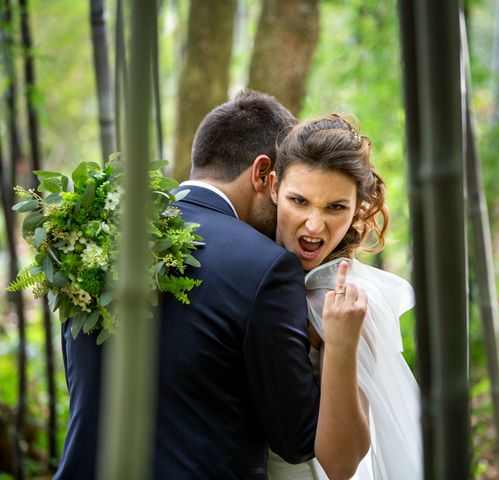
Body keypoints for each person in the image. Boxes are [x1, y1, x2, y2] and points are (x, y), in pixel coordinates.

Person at [55, 90, 369, 479]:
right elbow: (298, 439)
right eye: (291, 193)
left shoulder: (93, 239)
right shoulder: (265, 267)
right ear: (264, 175)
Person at [267, 114, 422, 479]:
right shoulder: (242, 261)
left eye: (336, 207)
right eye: (299, 201)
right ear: (273, 186)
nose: (315, 225)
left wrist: (340, 345)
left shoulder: (346, 299)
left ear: (357, 209)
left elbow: (341, 465)